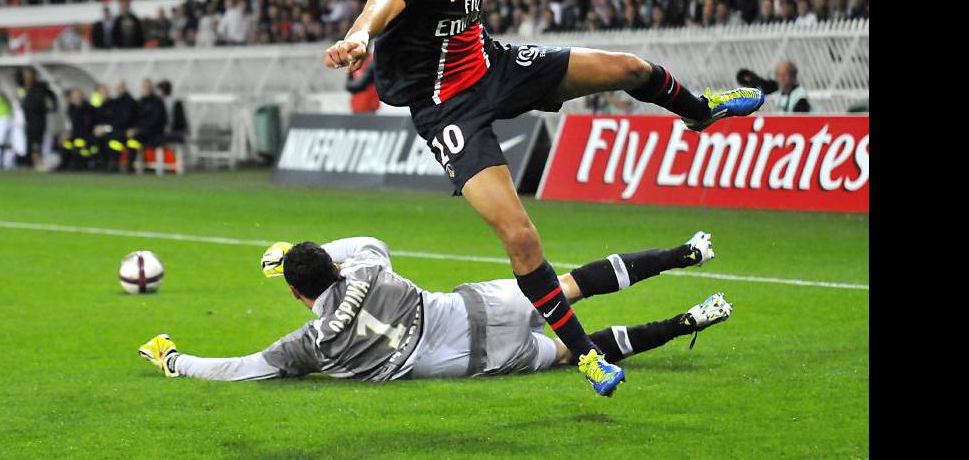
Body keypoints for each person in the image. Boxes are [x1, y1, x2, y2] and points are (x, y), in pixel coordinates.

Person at [321, 0, 762, 394]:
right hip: (448, 110)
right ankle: (586, 357)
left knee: (628, 68)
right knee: (521, 238)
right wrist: (359, 37)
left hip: (493, 65)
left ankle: (698, 110)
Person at [138, 234, 731, 384]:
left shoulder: (310, 344)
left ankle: (690, 320)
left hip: (465, 359)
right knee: (571, 286)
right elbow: (362, 242)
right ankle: (686, 252)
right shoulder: (367, 264)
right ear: (335, 266)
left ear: (297, 294)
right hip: (472, 306)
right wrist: (300, 250)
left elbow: (241, 367)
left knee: (578, 350)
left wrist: (175, 360)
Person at [736, 60, 811, 113]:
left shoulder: (800, 96)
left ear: (793, 76)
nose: (781, 78)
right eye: (779, 75)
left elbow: (800, 119)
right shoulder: (778, 92)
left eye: (784, 75)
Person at [127, 78, 168, 173]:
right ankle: (130, 164)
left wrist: (139, 129)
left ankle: (133, 165)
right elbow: (135, 118)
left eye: (147, 86)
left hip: (154, 133)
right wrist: (133, 129)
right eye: (144, 86)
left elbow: (158, 120)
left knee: (135, 137)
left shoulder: (157, 102)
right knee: (130, 139)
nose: (146, 88)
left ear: (151, 87)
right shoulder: (140, 102)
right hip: (140, 132)